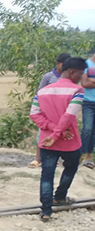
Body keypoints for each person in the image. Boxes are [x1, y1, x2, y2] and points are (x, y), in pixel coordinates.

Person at [29, 57, 87, 222]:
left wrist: (53, 132)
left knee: (46, 176)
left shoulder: (42, 91)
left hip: (47, 141)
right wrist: (59, 134)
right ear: (71, 72)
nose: (80, 77)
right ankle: (60, 197)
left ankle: (46, 211)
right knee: (70, 169)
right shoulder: (77, 91)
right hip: (69, 141)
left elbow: (34, 114)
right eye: (80, 74)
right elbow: (69, 116)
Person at [29, 52, 71, 169]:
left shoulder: (69, 78)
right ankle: (38, 159)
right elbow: (40, 94)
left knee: (62, 133)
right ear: (57, 64)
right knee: (43, 133)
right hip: (47, 111)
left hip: (63, 112)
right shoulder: (48, 77)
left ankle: (56, 159)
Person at [79, 52, 95, 169]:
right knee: (87, 129)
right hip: (88, 102)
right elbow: (84, 83)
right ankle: (79, 155)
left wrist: (92, 80)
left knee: (93, 132)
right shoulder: (86, 64)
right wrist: (88, 81)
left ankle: (88, 158)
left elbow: (89, 82)